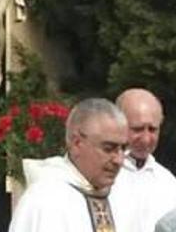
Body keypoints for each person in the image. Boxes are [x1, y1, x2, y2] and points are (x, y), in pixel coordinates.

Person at [9, 98, 133, 232]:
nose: (119, 160)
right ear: (77, 143)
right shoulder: (45, 200)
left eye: (124, 148)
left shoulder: (124, 196)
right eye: (108, 149)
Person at [112, 89, 176, 232]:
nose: (146, 139)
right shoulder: (100, 174)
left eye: (152, 129)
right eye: (137, 129)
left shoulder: (169, 184)